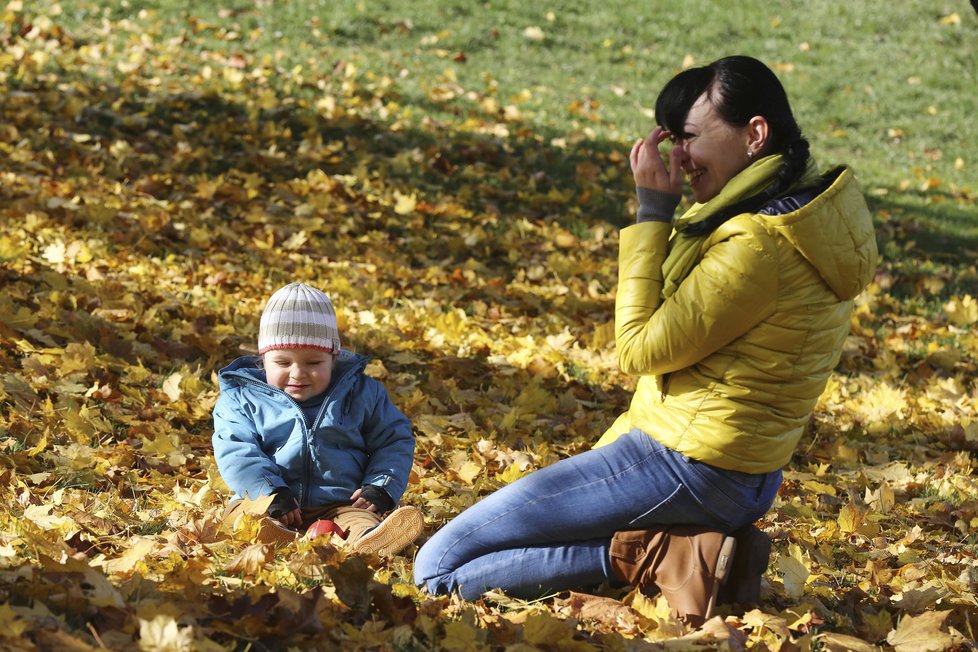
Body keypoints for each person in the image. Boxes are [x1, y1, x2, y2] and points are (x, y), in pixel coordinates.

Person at [413, 55, 877, 624]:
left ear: (755, 134)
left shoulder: (756, 245)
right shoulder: (797, 224)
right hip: (735, 470)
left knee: (437, 568)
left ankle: (663, 555)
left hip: (694, 466)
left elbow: (638, 349)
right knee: (479, 551)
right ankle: (689, 552)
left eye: (689, 137)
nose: (677, 156)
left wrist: (652, 211)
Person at [213, 282, 423, 557]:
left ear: (332, 358)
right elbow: (237, 450)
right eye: (283, 363)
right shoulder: (242, 397)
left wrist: (380, 487)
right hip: (273, 501)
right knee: (243, 514)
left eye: (313, 363)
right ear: (263, 359)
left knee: (360, 520)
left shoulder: (360, 393)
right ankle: (273, 536)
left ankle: (369, 541)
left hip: (342, 502)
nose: (298, 374)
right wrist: (268, 493)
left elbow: (393, 440)